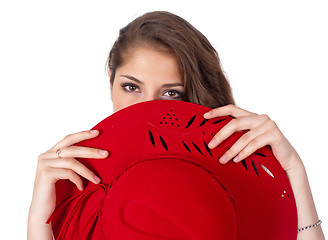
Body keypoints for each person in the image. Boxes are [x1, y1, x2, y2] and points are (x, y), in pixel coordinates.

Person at [27, 11, 325, 239]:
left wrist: (294, 172)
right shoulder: (82, 178)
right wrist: (39, 215)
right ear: (111, 81)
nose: (148, 107)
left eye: (171, 93)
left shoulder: (228, 179)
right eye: (131, 87)